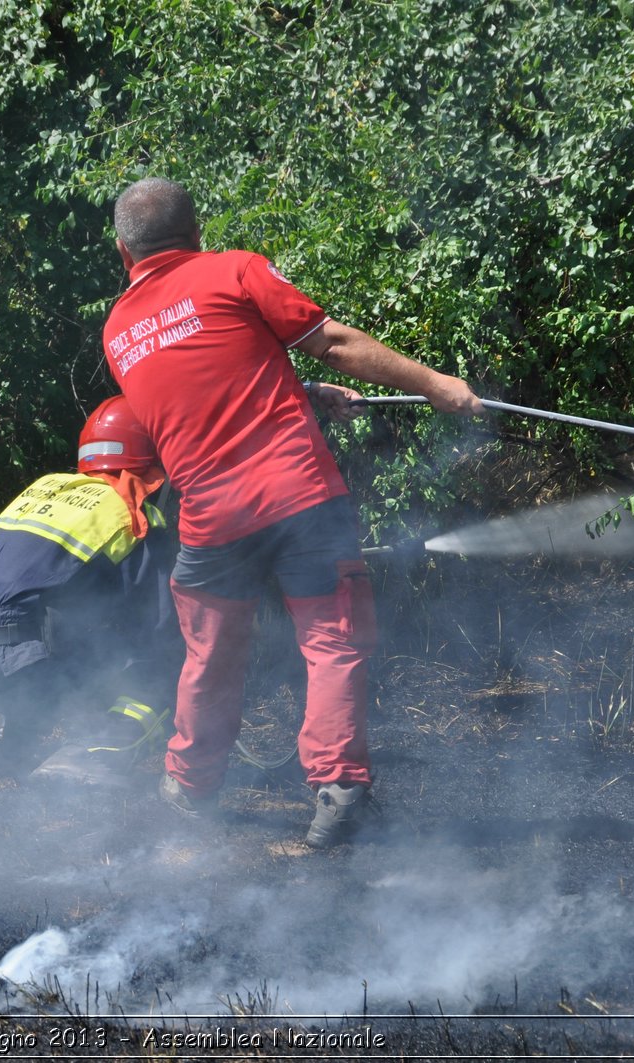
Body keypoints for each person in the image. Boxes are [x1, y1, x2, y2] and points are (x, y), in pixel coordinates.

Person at [101, 177, 484, 848]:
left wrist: (299, 392)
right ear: (196, 233)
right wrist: (436, 385)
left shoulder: (118, 331)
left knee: (211, 656)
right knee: (333, 640)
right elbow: (331, 340)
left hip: (211, 517)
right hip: (298, 495)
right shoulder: (233, 270)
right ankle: (339, 796)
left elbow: (200, 392)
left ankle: (188, 790)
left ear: (123, 251)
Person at [0, 397, 182, 785]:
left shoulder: (44, 488)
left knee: (53, 629)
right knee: (166, 664)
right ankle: (91, 759)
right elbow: (158, 626)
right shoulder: (130, 510)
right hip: (17, 660)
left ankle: (5, 754)